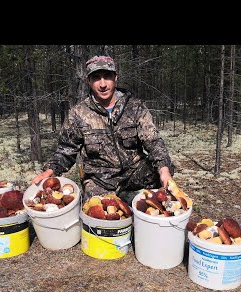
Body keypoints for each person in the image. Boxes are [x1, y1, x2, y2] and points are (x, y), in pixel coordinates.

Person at [31, 55, 175, 202]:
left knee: (164, 169)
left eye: (107, 76)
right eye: (96, 78)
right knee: (97, 213)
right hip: (101, 179)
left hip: (134, 172)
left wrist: (164, 170)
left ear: (115, 77)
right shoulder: (78, 114)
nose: (103, 84)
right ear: (89, 81)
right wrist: (51, 170)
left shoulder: (135, 107)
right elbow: (66, 150)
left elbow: (154, 141)